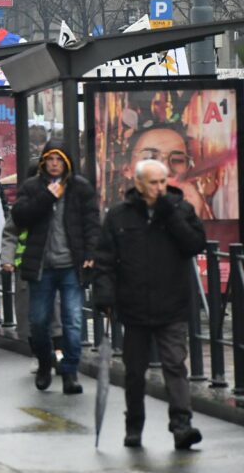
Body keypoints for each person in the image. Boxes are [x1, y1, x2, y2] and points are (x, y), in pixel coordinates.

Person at [93, 159, 206, 450]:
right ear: (140, 184)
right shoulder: (119, 216)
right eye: (154, 182)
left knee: (174, 365)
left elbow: (194, 244)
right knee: (134, 371)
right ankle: (134, 425)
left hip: (172, 304)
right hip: (134, 306)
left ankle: (182, 424)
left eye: (163, 181)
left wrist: (171, 216)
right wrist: (104, 295)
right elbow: (105, 260)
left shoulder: (181, 210)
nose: (160, 188)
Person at [11, 141, 99, 395]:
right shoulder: (32, 187)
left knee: (72, 321)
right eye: (50, 159)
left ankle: (70, 372)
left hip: (71, 265)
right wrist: (47, 196)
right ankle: (44, 361)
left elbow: (92, 223)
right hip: (42, 265)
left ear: (67, 162)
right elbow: (20, 216)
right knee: (38, 321)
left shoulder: (80, 188)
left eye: (59, 160)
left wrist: (91, 254)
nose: (54, 164)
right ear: (43, 162)